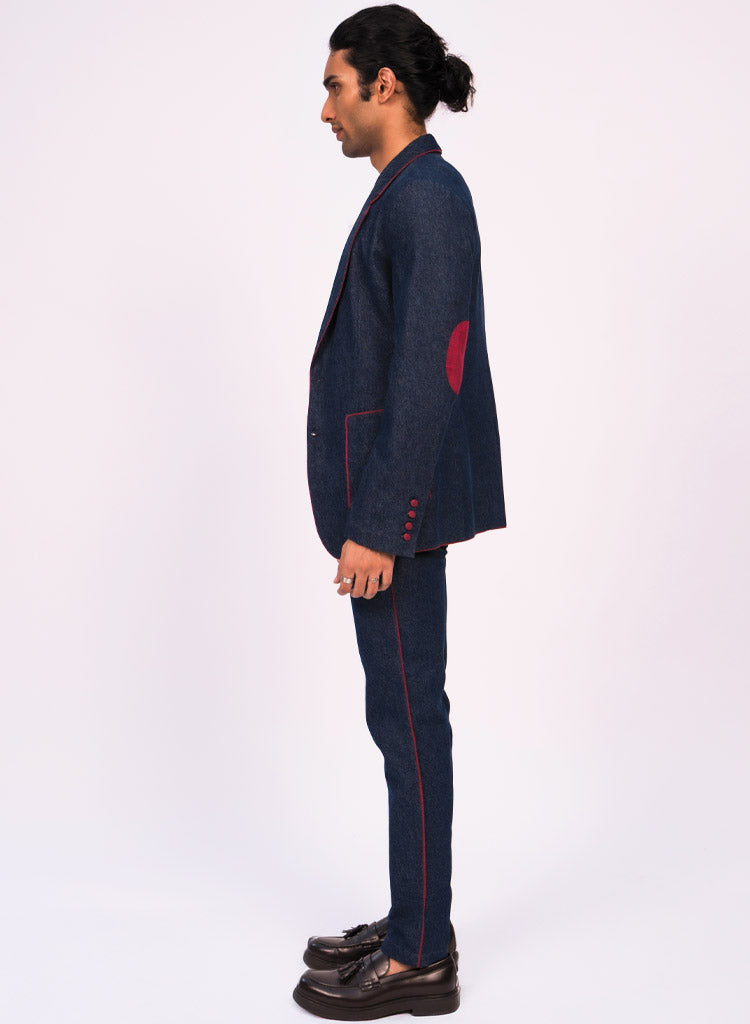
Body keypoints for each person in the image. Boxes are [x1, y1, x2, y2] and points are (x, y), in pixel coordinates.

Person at [293, 5, 506, 1018]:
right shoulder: (407, 191)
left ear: (385, 85)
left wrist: (382, 522)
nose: (324, 108)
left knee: (411, 721)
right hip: (388, 503)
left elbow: (432, 369)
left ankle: (421, 954)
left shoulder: (428, 196)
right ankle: (418, 918)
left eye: (334, 85)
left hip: (395, 514)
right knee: (402, 717)